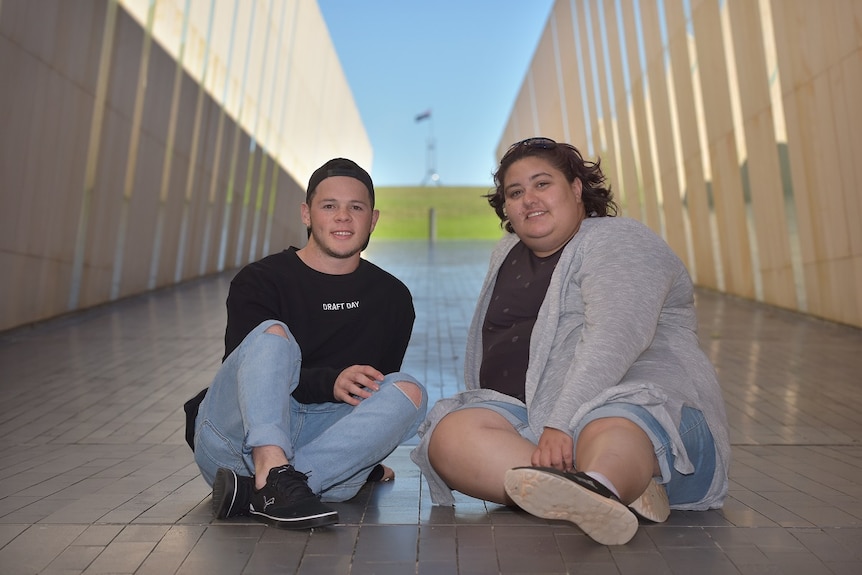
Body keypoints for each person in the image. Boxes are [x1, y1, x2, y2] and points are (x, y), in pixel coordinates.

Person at [410, 138, 730, 545]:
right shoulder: (506, 251)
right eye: (515, 192)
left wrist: (561, 424)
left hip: (647, 415)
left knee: (611, 421)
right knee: (450, 437)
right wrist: (545, 426)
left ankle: (609, 479)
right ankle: (604, 490)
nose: (529, 199)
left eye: (542, 184)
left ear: (576, 188)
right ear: (505, 206)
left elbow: (611, 340)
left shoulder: (619, 240)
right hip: (536, 425)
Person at [184, 157, 427, 530]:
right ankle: (271, 470)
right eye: (329, 206)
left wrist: (364, 453)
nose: (343, 217)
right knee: (272, 336)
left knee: (410, 391)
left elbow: (373, 392)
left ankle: (260, 493)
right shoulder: (261, 280)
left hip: (319, 457)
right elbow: (246, 375)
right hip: (238, 444)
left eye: (355, 207)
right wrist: (330, 382)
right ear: (307, 214)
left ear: (372, 220)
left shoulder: (392, 297)